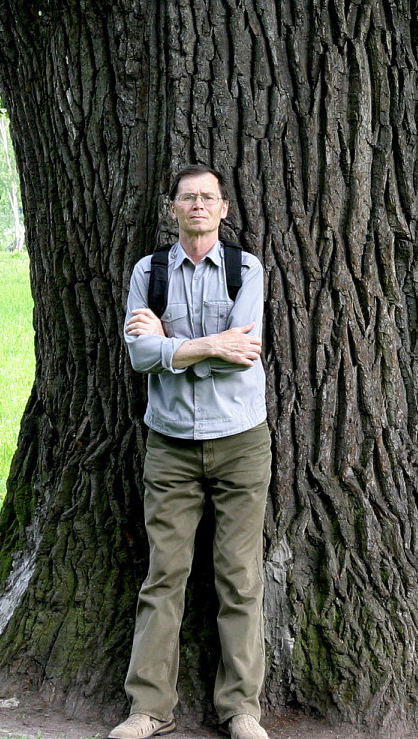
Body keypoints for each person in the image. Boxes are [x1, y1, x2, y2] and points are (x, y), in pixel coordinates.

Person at [109, 164, 272, 739]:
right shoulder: (148, 272)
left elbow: (242, 353)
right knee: (164, 576)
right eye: (187, 197)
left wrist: (170, 346)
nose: (198, 205)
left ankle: (242, 709)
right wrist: (209, 345)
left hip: (240, 440)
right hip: (170, 443)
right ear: (172, 208)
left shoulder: (246, 269)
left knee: (240, 577)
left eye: (208, 197)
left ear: (223, 208)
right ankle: (148, 709)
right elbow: (138, 355)